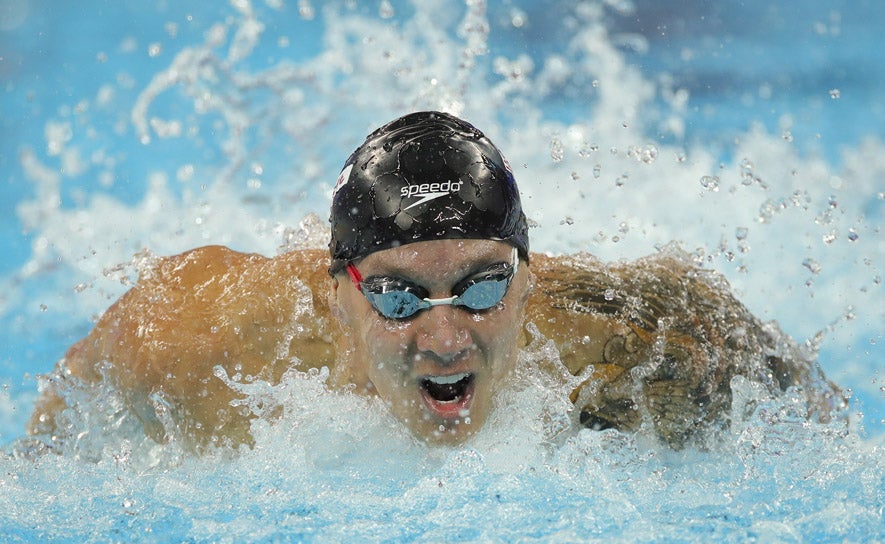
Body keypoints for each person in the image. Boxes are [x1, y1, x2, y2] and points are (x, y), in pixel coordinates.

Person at [27, 111, 845, 453]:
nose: (446, 337)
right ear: (335, 290)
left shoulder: (619, 341)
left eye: (484, 288)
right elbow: (54, 441)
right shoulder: (194, 348)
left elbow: (802, 407)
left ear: (528, 279)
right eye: (395, 296)